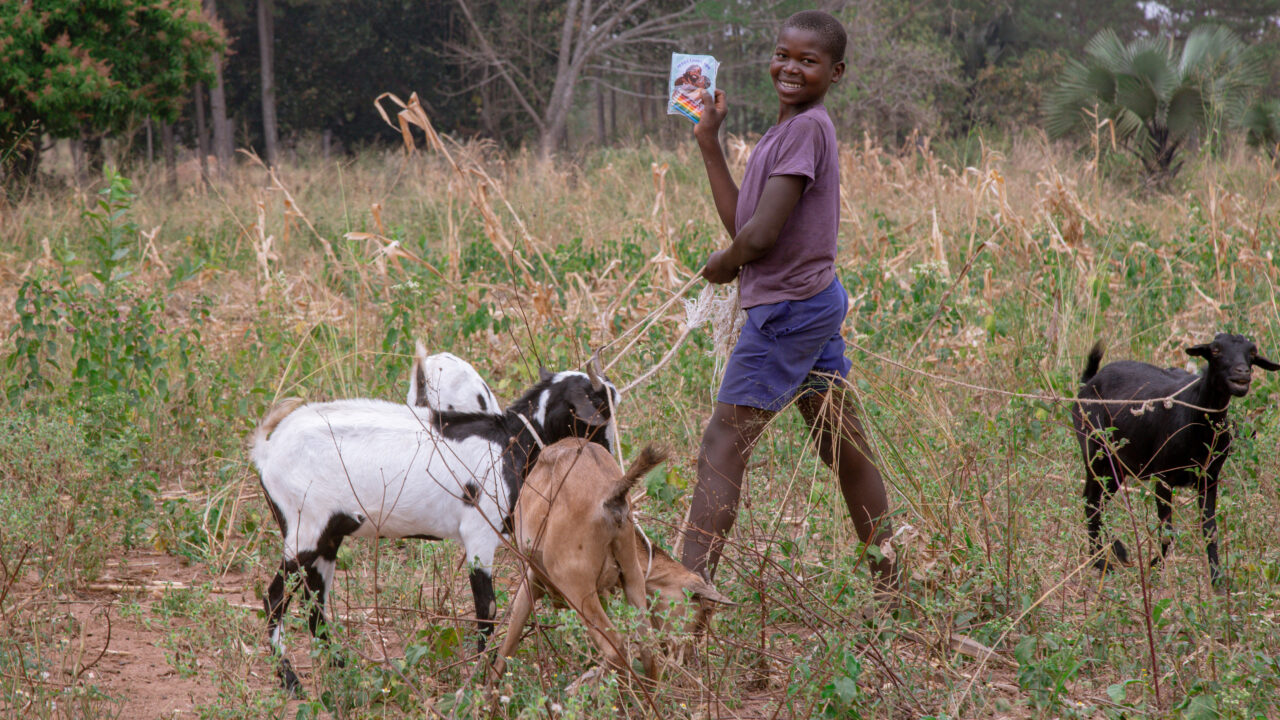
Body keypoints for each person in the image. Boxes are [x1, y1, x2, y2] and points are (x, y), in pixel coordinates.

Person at [680, 10, 897, 594]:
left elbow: (756, 241)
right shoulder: (784, 133)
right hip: (811, 305)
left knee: (722, 444)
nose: (790, 68)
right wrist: (709, 141)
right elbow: (743, 224)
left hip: (788, 314)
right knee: (841, 445)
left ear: (836, 71)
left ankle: (683, 600)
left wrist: (723, 267)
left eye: (808, 61)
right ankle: (894, 583)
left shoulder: (806, 129)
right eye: (783, 55)